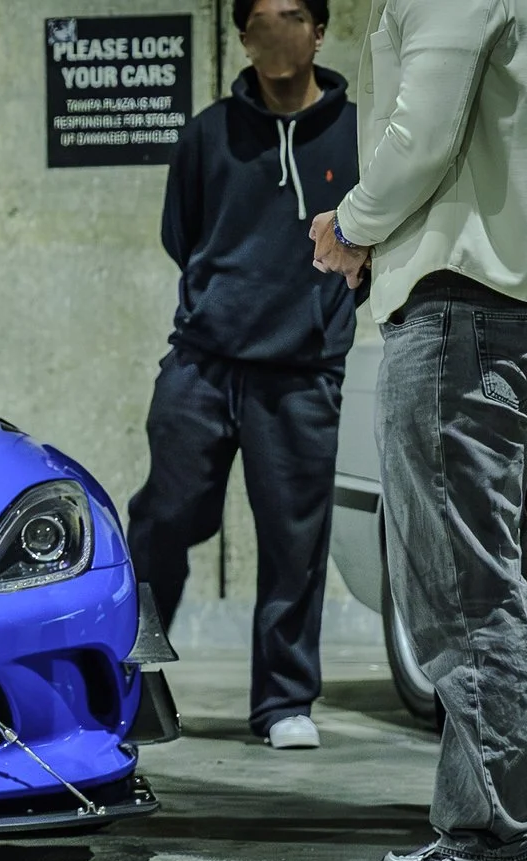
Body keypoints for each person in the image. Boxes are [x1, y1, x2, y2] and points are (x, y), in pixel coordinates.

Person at [309, 0, 527, 861]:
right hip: (480, 304)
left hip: (458, 301)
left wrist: (352, 222)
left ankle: (490, 845)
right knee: (476, 583)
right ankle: (501, 829)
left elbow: (420, 134)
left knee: (459, 589)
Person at [130, 0, 360, 752]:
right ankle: (132, 682)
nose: (277, 30)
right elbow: (182, 235)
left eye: (292, 13)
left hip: (301, 371)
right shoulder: (208, 134)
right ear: (241, 34)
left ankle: (284, 702)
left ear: (319, 29)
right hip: (205, 362)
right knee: (165, 517)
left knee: (295, 541)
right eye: (260, 17)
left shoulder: (358, 134)